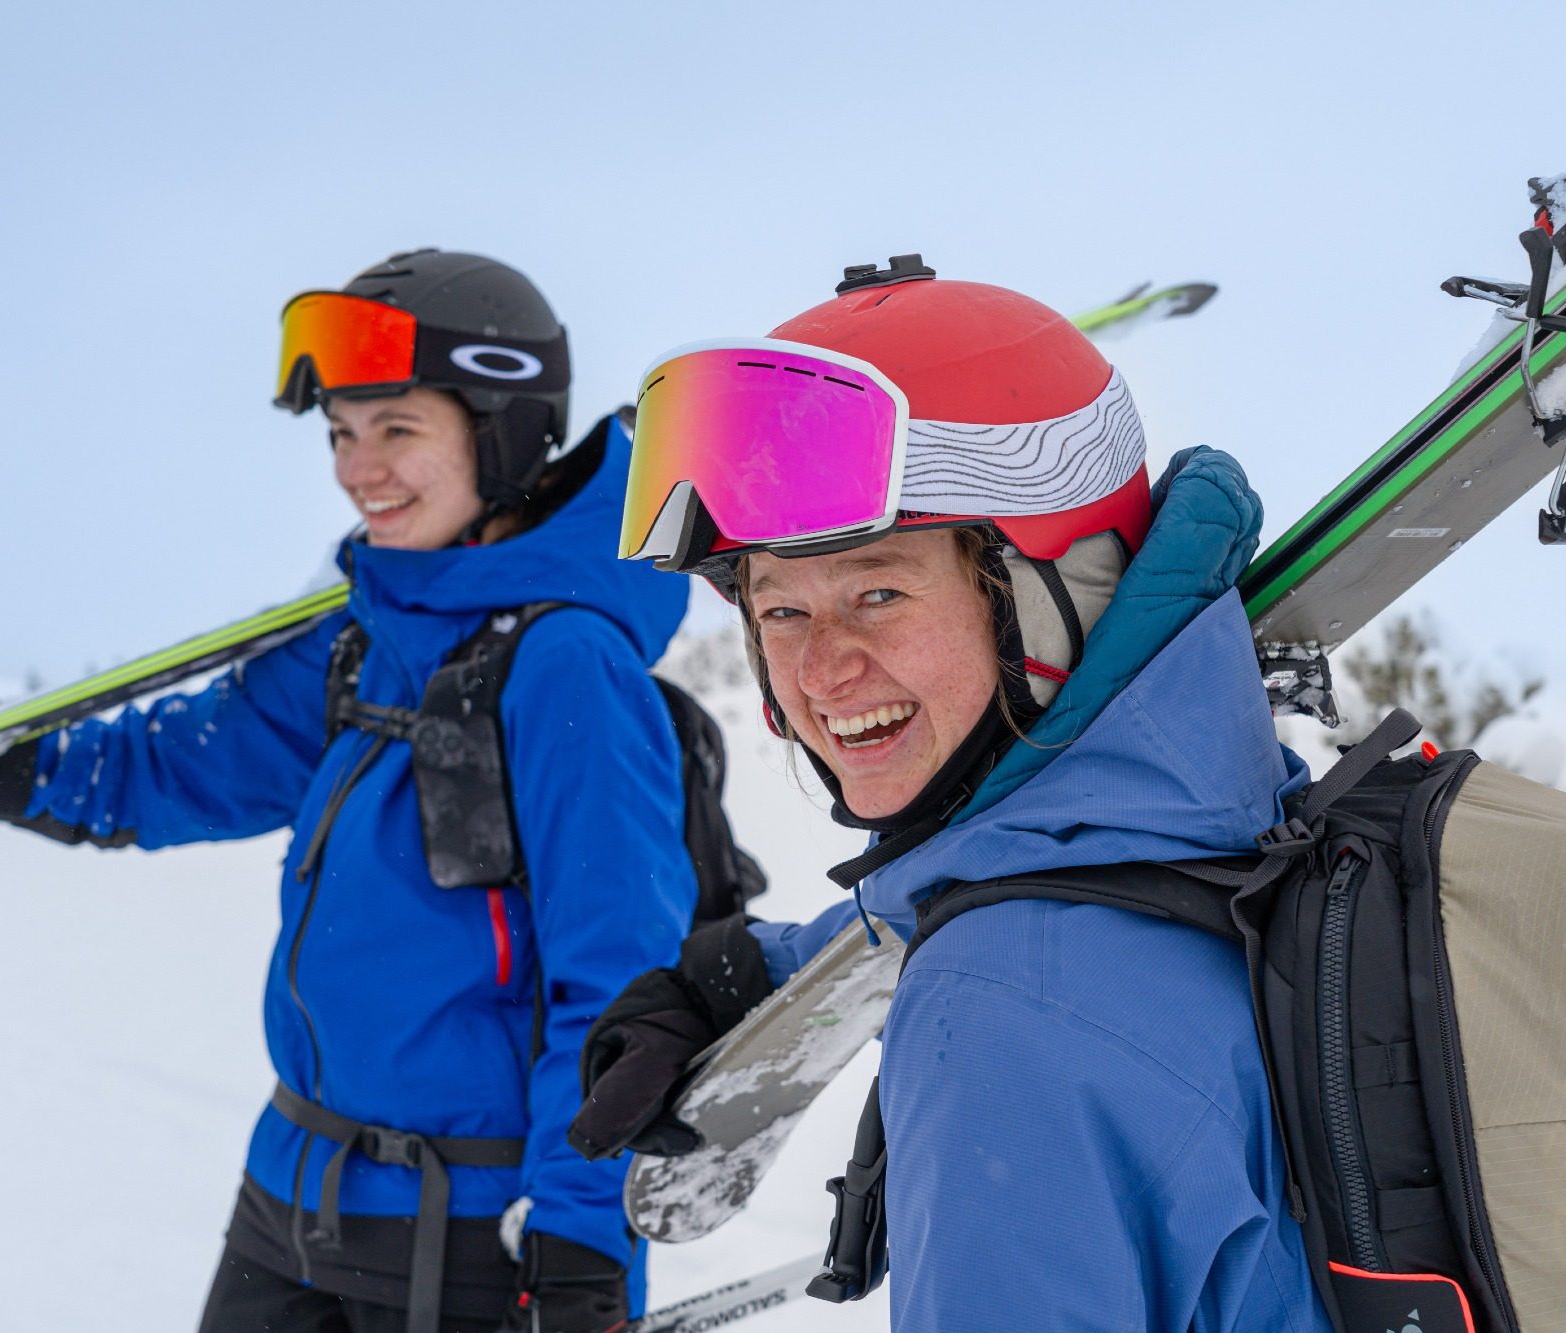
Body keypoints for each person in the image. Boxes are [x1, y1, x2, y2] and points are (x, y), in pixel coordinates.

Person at [0, 249, 699, 1333]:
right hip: (287, 1200)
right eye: (340, 433)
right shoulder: (364, 637)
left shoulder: (568, 665)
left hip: (468, 1237)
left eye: (396, 429)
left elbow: (616, 984)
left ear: (503, 432)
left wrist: (581, 1245)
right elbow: (174, 763)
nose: (357, 469)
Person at [571, 257, 1336, 1329]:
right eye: (779, 610)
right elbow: (1060, 883)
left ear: (1058, 592)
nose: (821, 671)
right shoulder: (1246, 829)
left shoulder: (994, 1016)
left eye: (879, 591)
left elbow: (1038, 971)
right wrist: (754, 971)